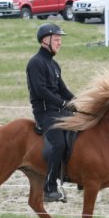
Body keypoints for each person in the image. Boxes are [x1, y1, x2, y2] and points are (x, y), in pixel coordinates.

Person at [26, 23, 75, 202]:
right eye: (56, 39)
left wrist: (79, 102)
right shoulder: (36, 63)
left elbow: (62, 89)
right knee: (59, 144)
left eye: (60, 39)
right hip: (45, 112)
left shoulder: (54, 64)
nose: (59, 42)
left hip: (58, 110)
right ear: (45, 40)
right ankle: (49, 188)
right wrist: (64, 103)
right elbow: (41, 91)